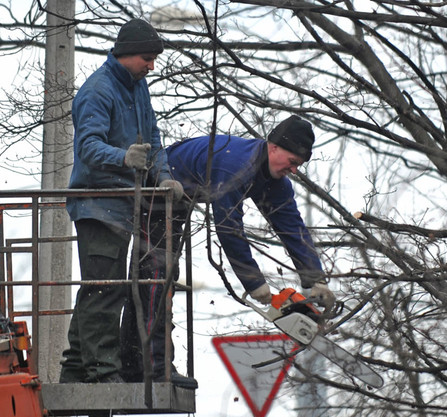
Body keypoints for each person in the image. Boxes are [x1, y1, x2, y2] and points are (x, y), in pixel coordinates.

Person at [120, 115, 335, 387]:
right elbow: (229, 227)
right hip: (160, 189)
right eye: (292, 162)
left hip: (180, 200)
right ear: (274, 147)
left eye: (298, 166)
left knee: (156, 280)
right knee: (155, 281)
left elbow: (291, 227)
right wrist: (255, 284)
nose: (293, 170)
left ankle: (131, 365)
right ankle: (152, 369)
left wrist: (315, 278)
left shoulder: (273, 179)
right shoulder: (237, 165)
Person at [60, 18, 184, 384]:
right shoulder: (98, 91)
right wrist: (124, 157)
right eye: (147, 58)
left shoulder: (136, 88)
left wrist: (163, 176)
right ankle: (102, 372)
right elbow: (88, 147)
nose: (151, 66)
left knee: (101, 288)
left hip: (122, 205)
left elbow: (154, 142)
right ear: (126, 53)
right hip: (97, 205)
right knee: (104, 291)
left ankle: (74, 368)